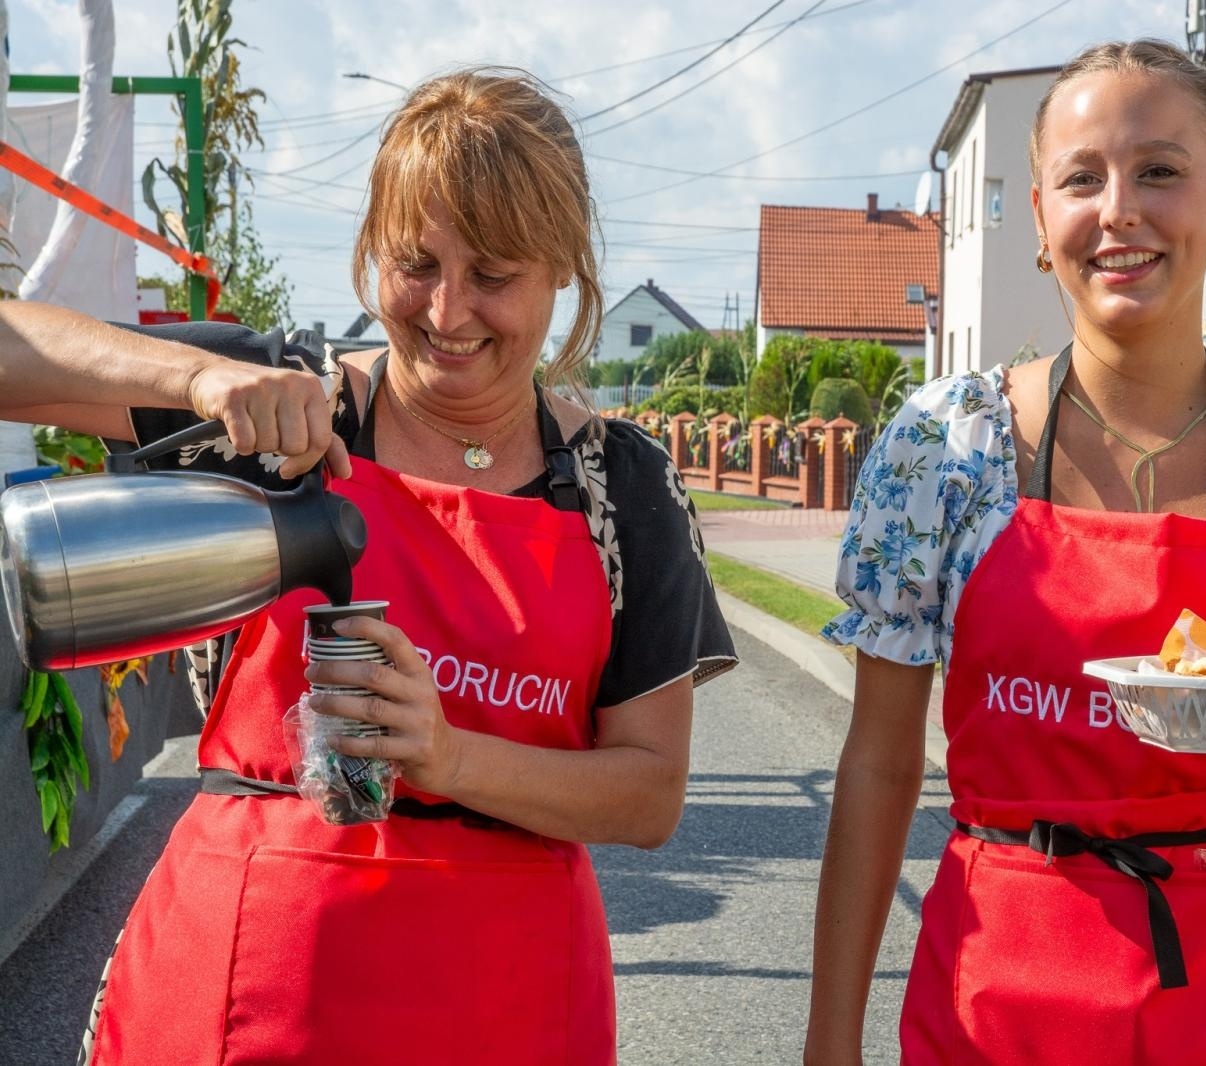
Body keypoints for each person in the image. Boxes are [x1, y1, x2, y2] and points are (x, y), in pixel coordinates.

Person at [0, 69, 736, 1065]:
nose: (446, 311)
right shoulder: (278, 408)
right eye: (415, 263)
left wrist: (449, 756)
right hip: (238, 989)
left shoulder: (622, 491)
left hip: (510, 1012)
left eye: (494, 273)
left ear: (561, 269)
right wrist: (199, 375)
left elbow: (647, 795)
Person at [805, 40, 1206, 1066]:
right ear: (1039, 223)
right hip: (995, 1007)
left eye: (1158, 170)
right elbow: (878, 769)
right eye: (1081, 177)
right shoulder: (946, 447)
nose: (1118, 210)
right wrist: (827, 1046)